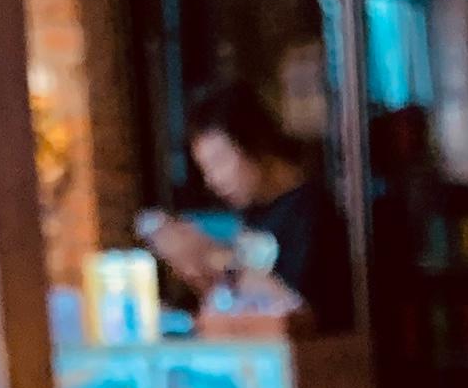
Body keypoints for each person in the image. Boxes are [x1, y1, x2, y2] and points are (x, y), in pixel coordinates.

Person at [141, 79, 355, 333]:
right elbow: (238, 304)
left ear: (257, 144)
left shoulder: (312, 213)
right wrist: (196, 266)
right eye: (205, 169)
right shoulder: (252, 214)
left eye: (220, 162)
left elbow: (299, 315)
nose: (213, 180)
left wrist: (221, 261)